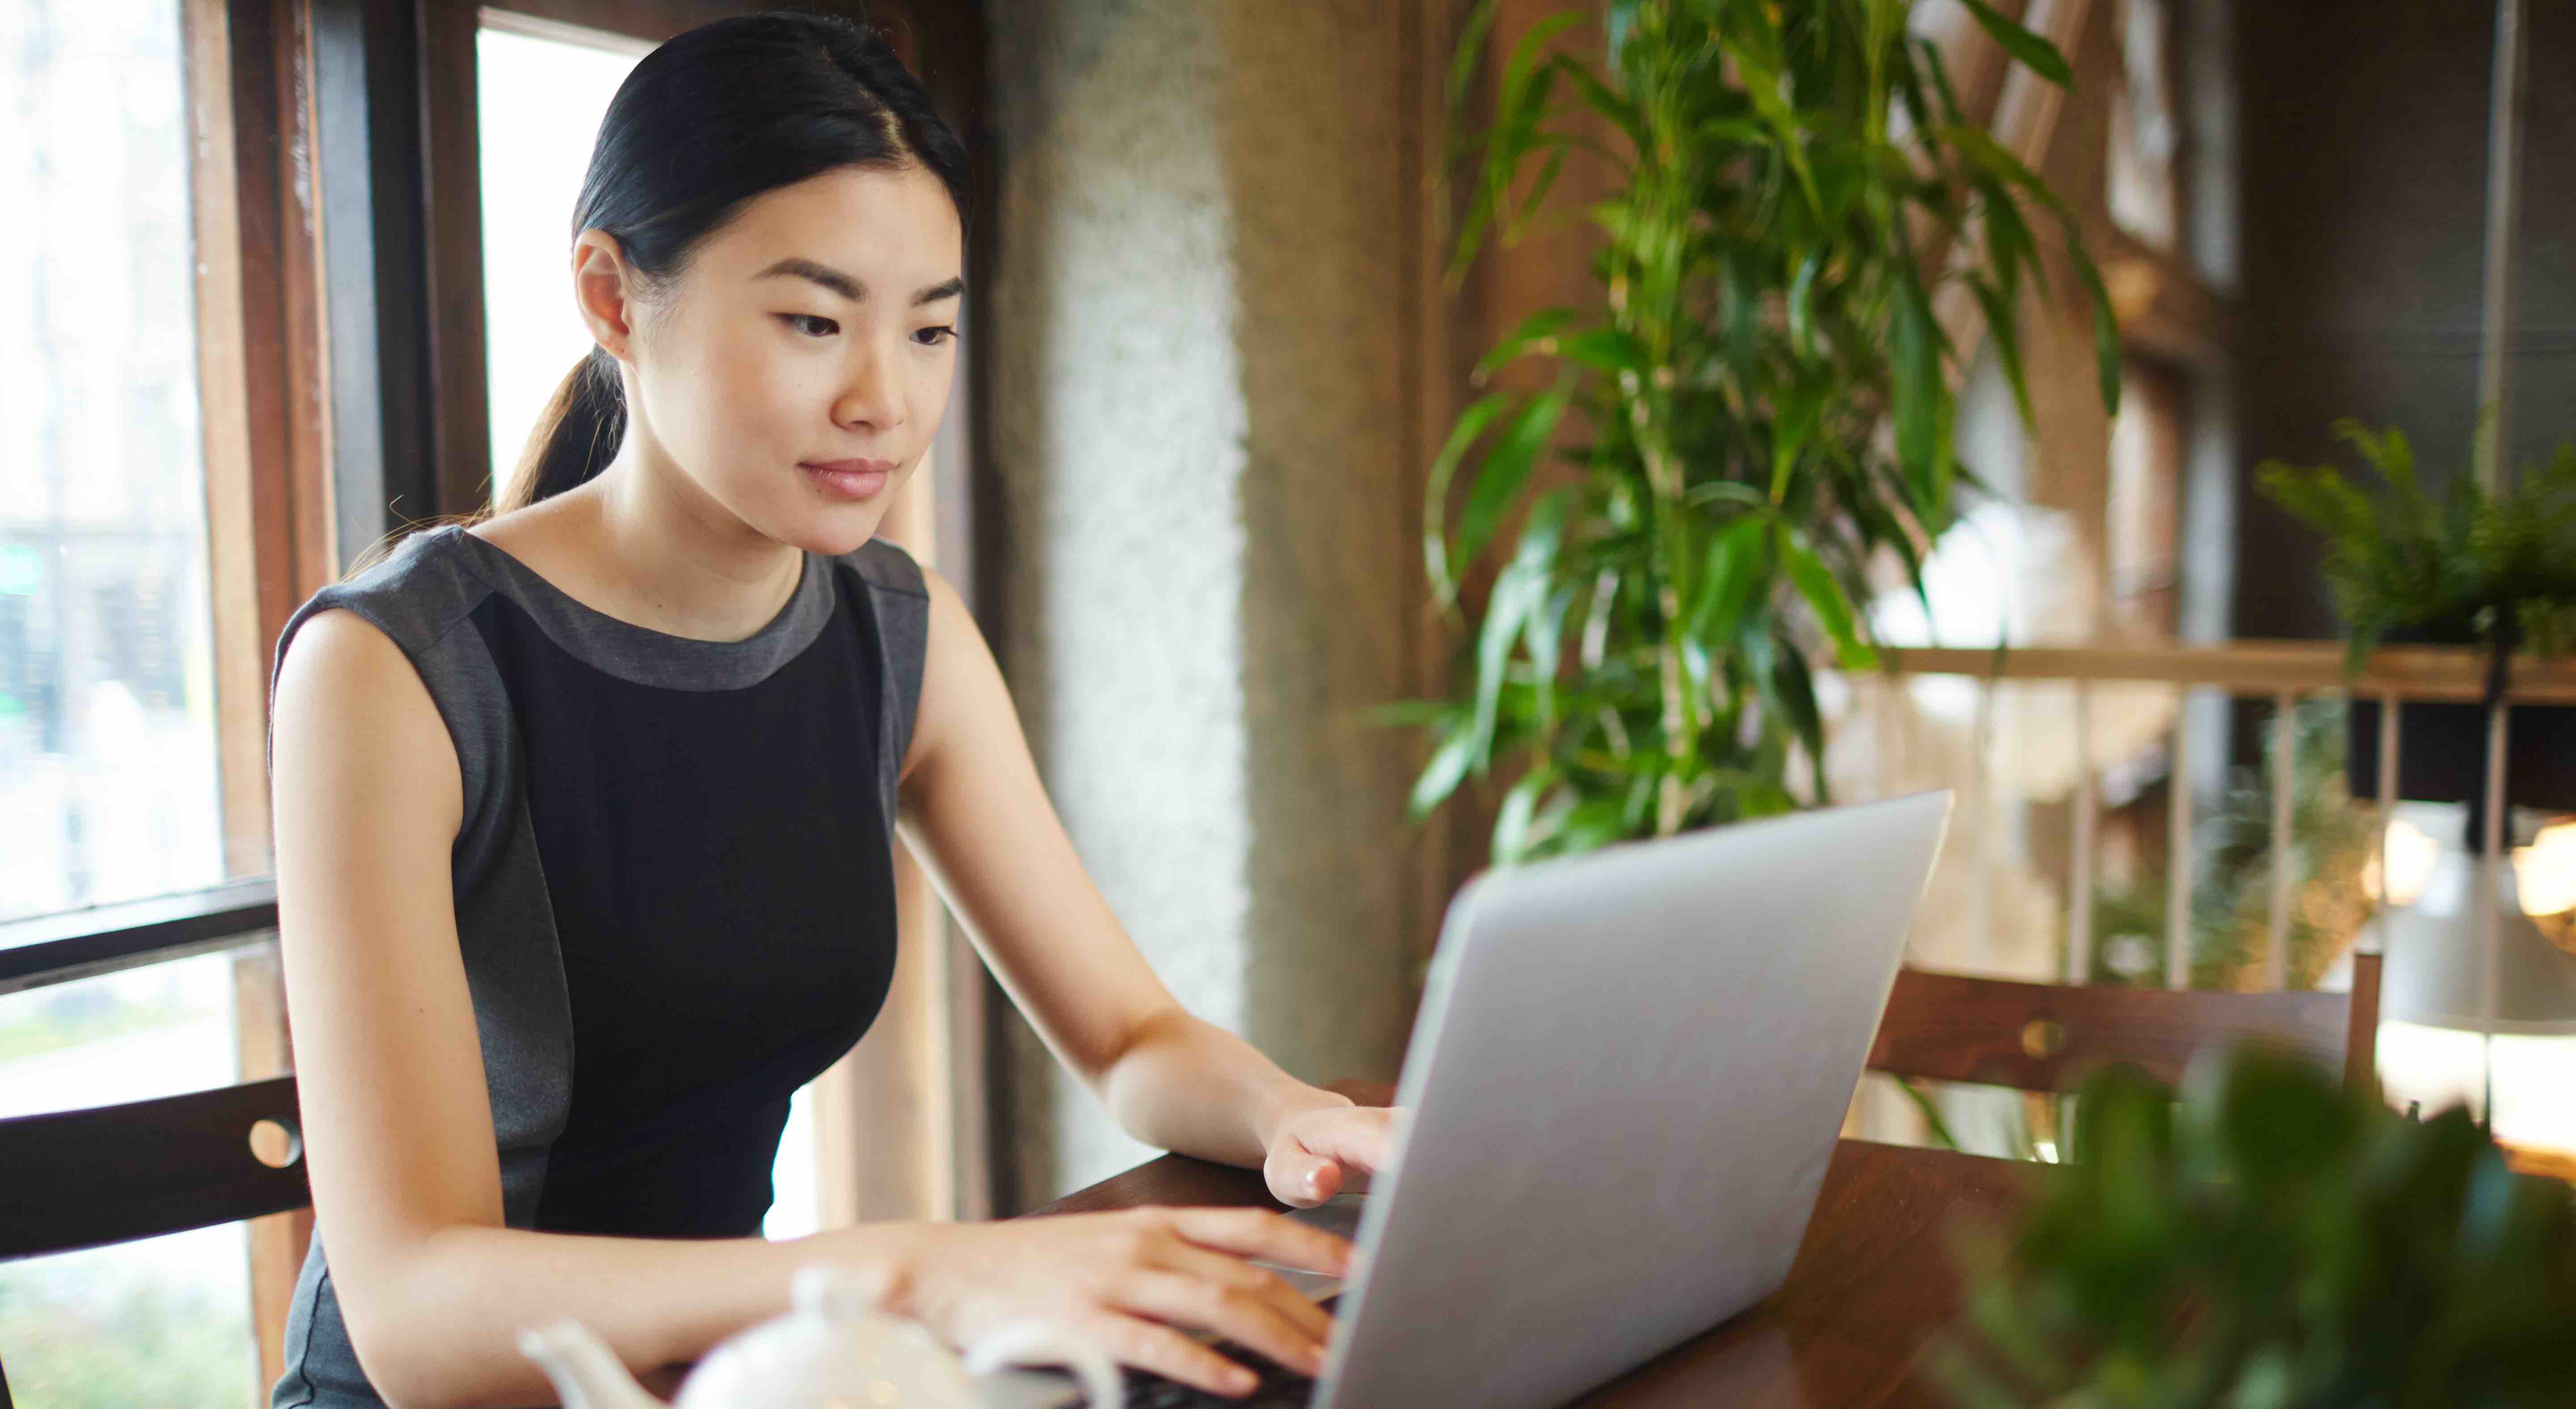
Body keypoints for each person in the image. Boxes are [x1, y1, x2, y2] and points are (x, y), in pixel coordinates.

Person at [264, 13, 1393, 1407]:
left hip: (734, 1379)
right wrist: (917, 1272)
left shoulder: (897, 635)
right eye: (813, 321)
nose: (885, 399)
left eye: (929, 330)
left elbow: (1130, 1039)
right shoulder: (397, 666)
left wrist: (1302, 1117)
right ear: (614, 298)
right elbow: (420, 1314)